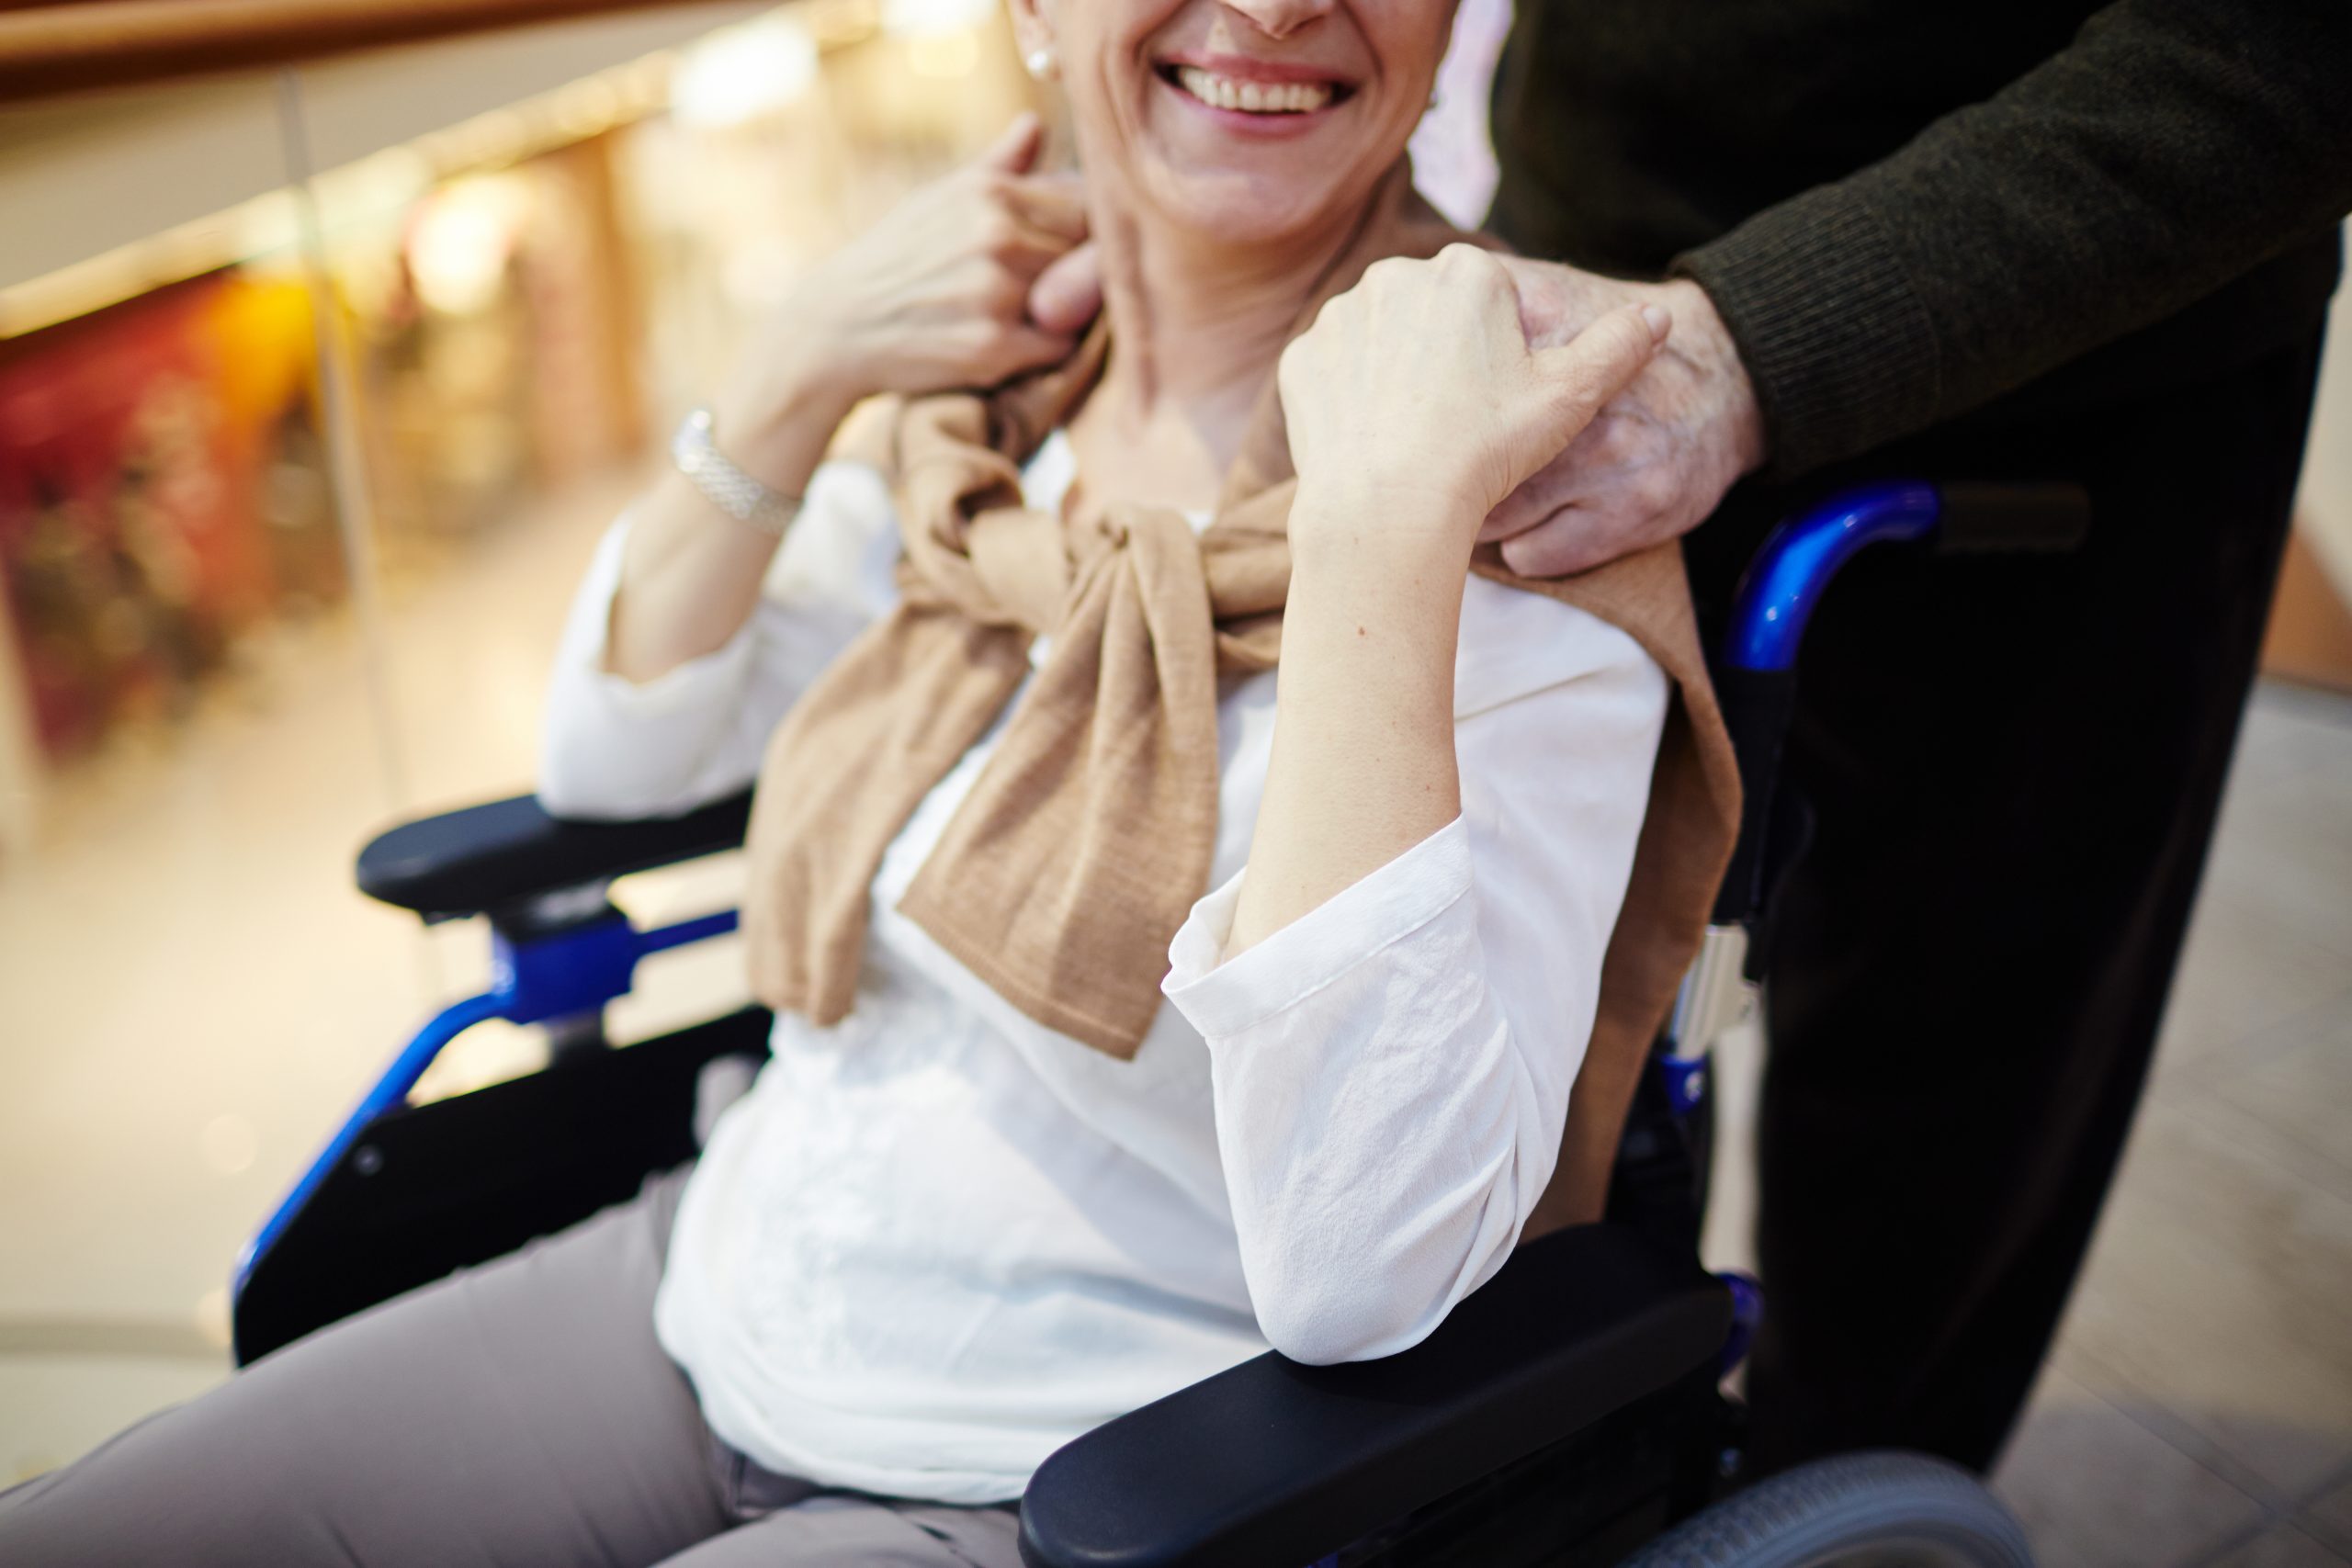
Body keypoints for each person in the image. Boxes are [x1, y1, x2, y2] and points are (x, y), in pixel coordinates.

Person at [0, 1, 1743, 1562]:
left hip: (1096, 1460)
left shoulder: (1530, 498)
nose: (1280, 4)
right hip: (732, 1264)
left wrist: (1382, 532)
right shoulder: (983, 419)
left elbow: (1369, 1269)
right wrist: (798, 362)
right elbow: (617, 757)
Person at [1473, 0, 2352, 1475]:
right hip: (1583, 271)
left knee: (1929, 1173)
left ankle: (1857, 1493)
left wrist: (1749, 347)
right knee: (1546, 1126)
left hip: (2073, 358)